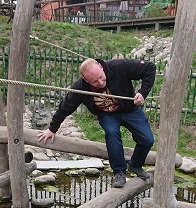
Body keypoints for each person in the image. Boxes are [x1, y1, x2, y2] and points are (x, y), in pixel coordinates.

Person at [38, 58, 156, 188]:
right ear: (85, 79)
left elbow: (150, 67)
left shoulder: (118, 66)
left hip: (130, 109)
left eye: (102, 77)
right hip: (107, 114)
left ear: (101, 67)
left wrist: (143, 92)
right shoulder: (80, 87)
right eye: (95, 81)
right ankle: (119, 172)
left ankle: (135, 165)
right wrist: (52, 129)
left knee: (147, 139)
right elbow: (65, 107)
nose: (100, 82)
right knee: (112, 133)